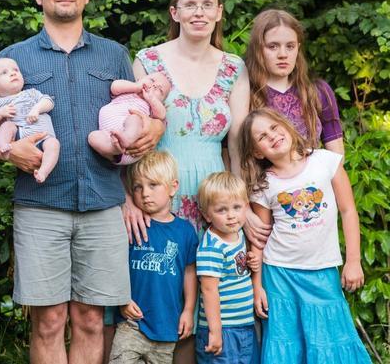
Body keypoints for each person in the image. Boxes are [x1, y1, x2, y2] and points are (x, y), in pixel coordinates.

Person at [0, 0, 163, 364]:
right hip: (41, 203)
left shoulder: (113, 54)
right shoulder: (14, 57)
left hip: (103, 201)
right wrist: (8, 151)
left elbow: (137, 107)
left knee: (92, 319)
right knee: (48, 320)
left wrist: (152, 128)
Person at [129, 0, 251, 363]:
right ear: (174, 12)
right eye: (190, 4)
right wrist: (129, 198)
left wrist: (244, 207)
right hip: (158, 196)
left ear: (219, 13)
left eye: (207, 4)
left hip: (214, 199)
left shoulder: (233, 68)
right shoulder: (148, 61)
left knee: (206, 297)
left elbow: (237, 145)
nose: (199, 12)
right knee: (161, 293)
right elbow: (130, 136)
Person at [240, 108, 371, 363]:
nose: (272, 136)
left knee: (331, 339)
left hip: (322, 269)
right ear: (257, 152)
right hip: (279, 274)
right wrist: (257, 287)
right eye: (262, 136)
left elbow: (348, 210)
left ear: (287, 126)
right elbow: (259, 238)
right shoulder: (265, 184)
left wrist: (354, 261)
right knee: (287, 343)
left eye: (274, 127)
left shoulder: (325, 161)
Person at [109, 151, 198, 364]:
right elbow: (115, 264)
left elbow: (189, 272)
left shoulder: (185, 231)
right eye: (137, 187)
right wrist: (122, 299)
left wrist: (188, 310)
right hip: (132, 322)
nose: (144, 193)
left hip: (166, 326)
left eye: (153, 185)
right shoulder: (131, 225)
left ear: (173, 187)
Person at [245, 8, 344, 154]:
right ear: (258, 49)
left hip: (315, 169)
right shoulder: (244, 94)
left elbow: (336, 156)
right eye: (273, 46)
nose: (283, 54)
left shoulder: (318, 91)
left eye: (290, 46)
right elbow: (235, 152)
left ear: (298, 47)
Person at [195, 172, 258, 363]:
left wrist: (250, 261)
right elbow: (209, 289)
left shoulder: (238, 233)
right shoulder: (212, 247)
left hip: (244, 324)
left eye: (236, 207)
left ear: (245, 206)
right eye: (221, 210)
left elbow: (234, 268)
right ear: (207, 215)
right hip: (223, 329)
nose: (231, 216)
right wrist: (215, 331)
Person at [0, 56, 60, 182]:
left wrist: (37, 109)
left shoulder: (31, 93)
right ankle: (4, 147)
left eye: (16, 70)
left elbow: (49, 102)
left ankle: (43, 172)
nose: (13, 73)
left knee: (54, 144)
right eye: (4, 72)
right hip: (20, 136)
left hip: (44, 137)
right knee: (7, 126)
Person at [89, 72, 171, 165]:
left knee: (134, 118)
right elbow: (114, 87)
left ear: (161, 102)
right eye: (152, 80)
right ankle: (113, 150)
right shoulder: (130, 89)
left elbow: (161, 115)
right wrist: (136, 86)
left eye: (160, 90)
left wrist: (152, 100)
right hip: (108, 138)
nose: (154, 86)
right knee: (92, 137)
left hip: (132, 147)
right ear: (140, 79)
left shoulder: (151, 107)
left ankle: (126, 138)